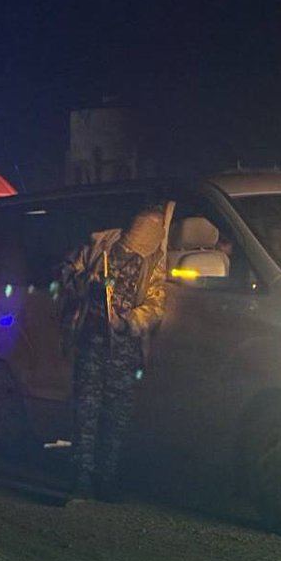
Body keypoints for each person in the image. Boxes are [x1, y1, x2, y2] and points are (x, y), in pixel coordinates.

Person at [61, 206, 168, 501]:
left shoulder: (154, 263)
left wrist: (128, 321)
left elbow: (155, 308)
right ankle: (80, 476)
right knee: (86, 409)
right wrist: (89, 285)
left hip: (123, 346)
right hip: (91, 339)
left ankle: (105, 477)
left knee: (116, 414)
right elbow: (67, 276)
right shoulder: (101, 247)